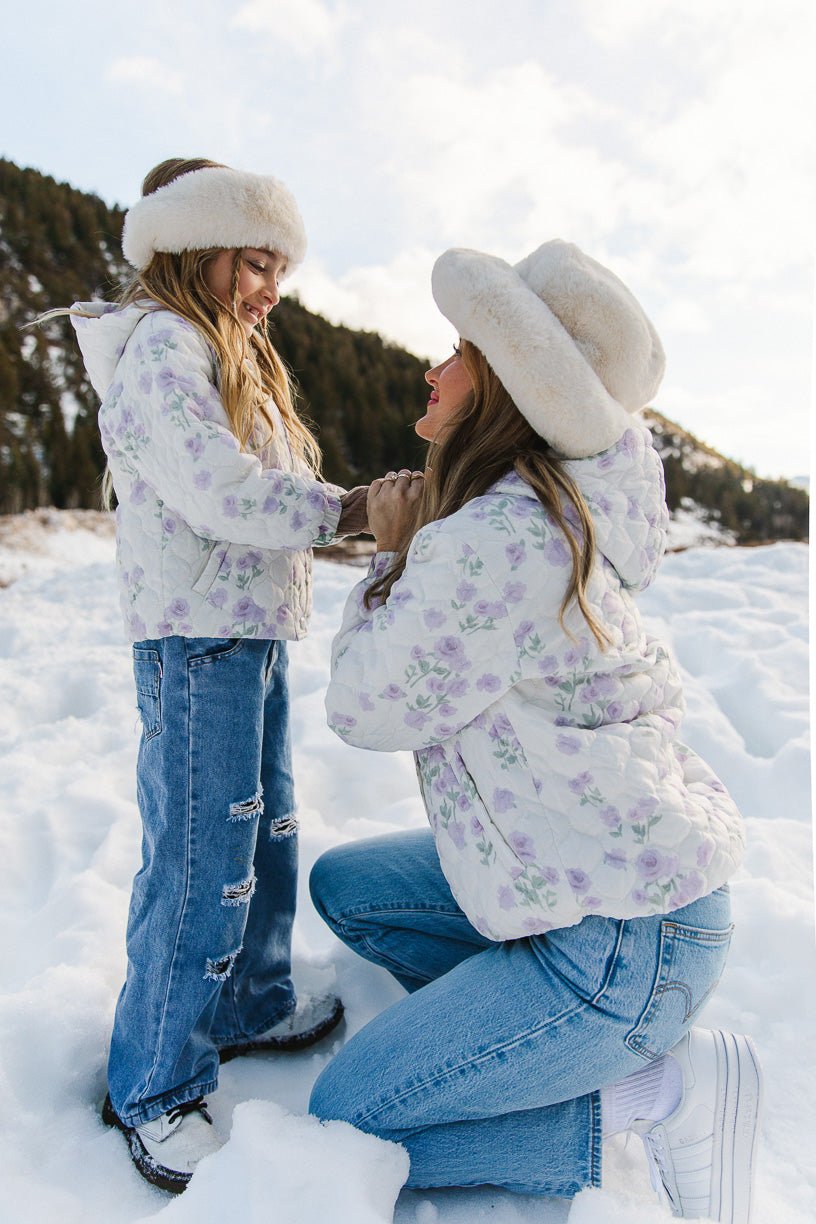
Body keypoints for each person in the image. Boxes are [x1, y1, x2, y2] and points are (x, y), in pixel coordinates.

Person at [309, 241, 762, 1222]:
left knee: (347, 1118)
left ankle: (651, 1092)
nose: (432, 370)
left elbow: (365, 707)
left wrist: (392, 561)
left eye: (456, 350)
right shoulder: (530, 516)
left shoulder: (499, 542)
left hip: (618, 949)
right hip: (615, 894)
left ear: (508, 384)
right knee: (350, 890)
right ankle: (524, 1042)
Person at [60, 158, 368, 1192]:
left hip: (246, 632)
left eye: (281, 266)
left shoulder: (230, 351)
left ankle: (247, 998)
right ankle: (153, 1080)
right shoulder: (163, 348)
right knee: (201, 851)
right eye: (254, 261)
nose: (271, 287)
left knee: (263, 826)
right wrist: (348, 510)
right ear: (195, 248)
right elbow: (221, 490)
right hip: (196, 642)